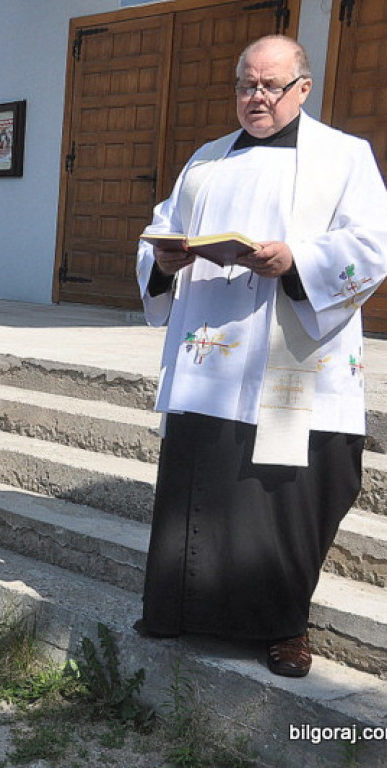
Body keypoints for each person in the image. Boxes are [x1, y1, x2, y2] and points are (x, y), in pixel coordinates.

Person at [135, 35, 387, 677]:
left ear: (303, 88)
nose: (256, 97)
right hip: (210, 363)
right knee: (201, 486)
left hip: (295, 363)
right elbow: (161, 227)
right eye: (246, 85)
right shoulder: (207, 161)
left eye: (270, 86)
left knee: (288, 497)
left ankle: (283, 627)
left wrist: (297, 258)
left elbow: (372, 246)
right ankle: (179, 612)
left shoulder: (344, 156)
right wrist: (163, 258)